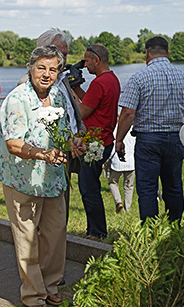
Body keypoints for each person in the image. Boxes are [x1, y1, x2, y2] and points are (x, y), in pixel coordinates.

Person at [0, 45, 85, 307]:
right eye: (42, 68)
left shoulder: (58, 96)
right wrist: (42, 154)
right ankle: (33, 295)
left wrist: (74, 144)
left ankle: (50, 285)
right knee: (27, 241)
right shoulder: (17, 99)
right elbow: (13, 144)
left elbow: (63, 133)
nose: (47, 74)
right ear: (31, 68)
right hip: (23, 179)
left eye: (53, 69)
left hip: (54, 178)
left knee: (55, 235)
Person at [116, 36, 184, 223]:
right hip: (176, 137)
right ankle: (174, 228)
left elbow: (127, 114)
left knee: (147, 189)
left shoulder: (139, 78)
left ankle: (150, 231)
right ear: (168, 53)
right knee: (174, 186)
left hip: (148, 140)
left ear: (146, 54)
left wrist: (119, 139)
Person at [35, 28, 86, 224]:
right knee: (44, 212)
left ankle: (58, 249)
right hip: (43, 156)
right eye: (59, 53)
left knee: (61, 210)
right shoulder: (29, 83)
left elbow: (71, 109)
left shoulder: (63, 80)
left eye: (65, 54)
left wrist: (79, 128)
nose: (63, 58)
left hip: (66, 153)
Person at [73, 44, 120, 240]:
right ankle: (95, 230)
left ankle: (97, 232)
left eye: (87, 61)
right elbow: (92, 104)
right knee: (90, 186)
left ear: (96, 60)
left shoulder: (99, 83)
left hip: (94, 142)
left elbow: (83, 111)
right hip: (105, 140)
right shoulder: (112, 80)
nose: (85, 65)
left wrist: (69, 92)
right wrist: (76, 87)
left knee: (89, 188)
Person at [108, 122, 135, 213]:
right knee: (129, 186)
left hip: (117, 161)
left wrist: (108, 159)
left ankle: (118, 201)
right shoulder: (132, 129)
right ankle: (127, 208)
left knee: (112, 182)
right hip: (131, 162)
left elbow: (112, 145)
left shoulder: (115, 128)